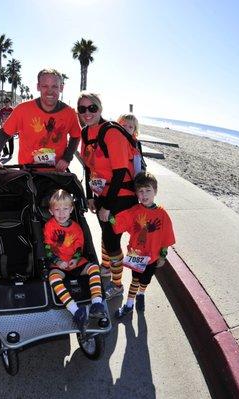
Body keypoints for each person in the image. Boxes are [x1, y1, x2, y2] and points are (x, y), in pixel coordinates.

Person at [78, 92, 139, 299]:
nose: (87, 113)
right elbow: (88, 168)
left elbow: (121, 172)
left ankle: (117, 284)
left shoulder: (112, 132)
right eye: (82, 109)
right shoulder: (86, 133)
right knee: (106, 233)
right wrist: (90, 196)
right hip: (102, 194)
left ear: (100, 108)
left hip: (120, 197)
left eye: (92, 108)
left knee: (112, 242)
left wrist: (107, 207)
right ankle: (106, 269)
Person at [0, 69, 81, 172]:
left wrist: (67, 158)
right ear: (38, 87)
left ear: (61, 88)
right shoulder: (22, 109)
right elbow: (3, 134)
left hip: (56, 173)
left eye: (54, 86)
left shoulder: (69, 112)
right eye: (45, 86)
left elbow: (76, 136)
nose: (50, 91)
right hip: (28, 172)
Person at [109, 172, 175, 318]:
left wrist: (163, 256)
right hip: (136, 254)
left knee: (145, 280)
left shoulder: (162, 214)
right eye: (141, 191)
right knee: (135, 279)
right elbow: (120, 222)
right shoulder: (134, 211)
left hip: (153, 256)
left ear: (155, 191)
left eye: (148, 190)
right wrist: (108, 217)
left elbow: (167, 237)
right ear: (137, 194)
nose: (144, 195)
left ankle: (141, 294)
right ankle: (129, 305)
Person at [44, 189, 106, 332]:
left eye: (65, 209)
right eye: (57, 209)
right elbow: (47, 248)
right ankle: (76, 311)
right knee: (53, 278)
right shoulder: (49, 226)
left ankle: (96, 303)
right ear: (51, 211)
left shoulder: (76, 228)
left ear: (71, 209)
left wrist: (75, 259)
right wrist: (58, 261)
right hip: (58, 264)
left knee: (94, 268)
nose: (61, 213)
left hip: (75, 262)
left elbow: (79, 248)